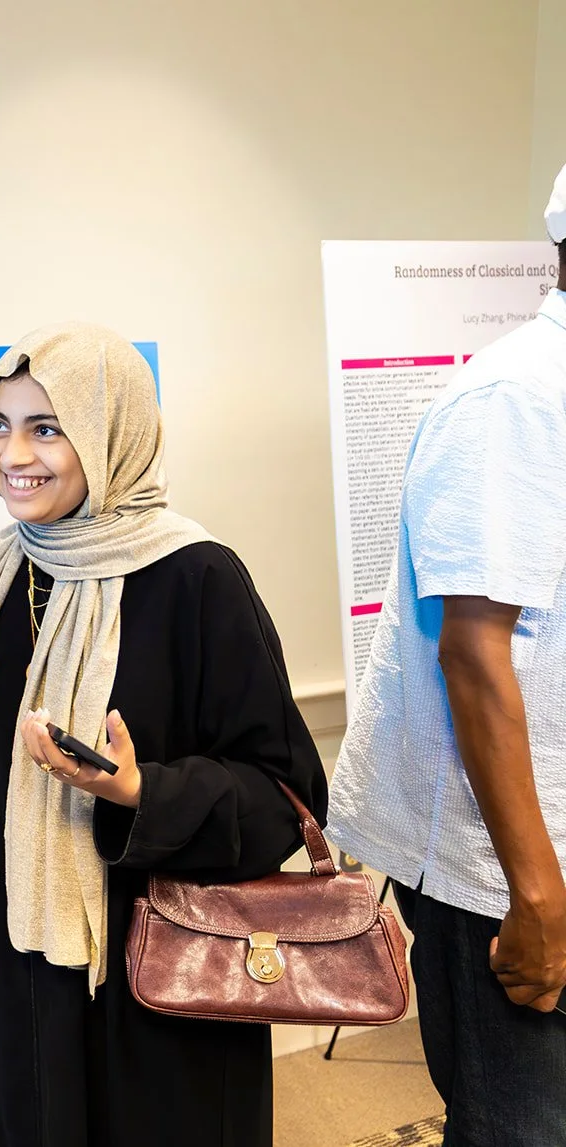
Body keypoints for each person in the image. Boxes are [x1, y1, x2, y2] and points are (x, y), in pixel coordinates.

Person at [0, 323, 327, 1147]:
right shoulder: (1, 571)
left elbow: (283, 794)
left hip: (146, 983)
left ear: (111, 432)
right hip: (9, 966)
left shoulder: (197, 578)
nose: (11, 453)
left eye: (46, 427)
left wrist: (138, 792)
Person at [327, 172, 566, 1146]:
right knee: (521, 1125)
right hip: (504, 865)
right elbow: (473, 653)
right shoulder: (512, 398)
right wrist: (538, 893)